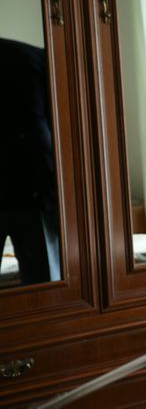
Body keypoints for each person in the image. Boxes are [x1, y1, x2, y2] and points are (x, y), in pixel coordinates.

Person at [0, 37, 60, 285]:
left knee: (43, 281)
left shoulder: (33, 59)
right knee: (44, 285)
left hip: (32, 189)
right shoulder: (33, 57)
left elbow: (40, 134)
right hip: (34, 189)